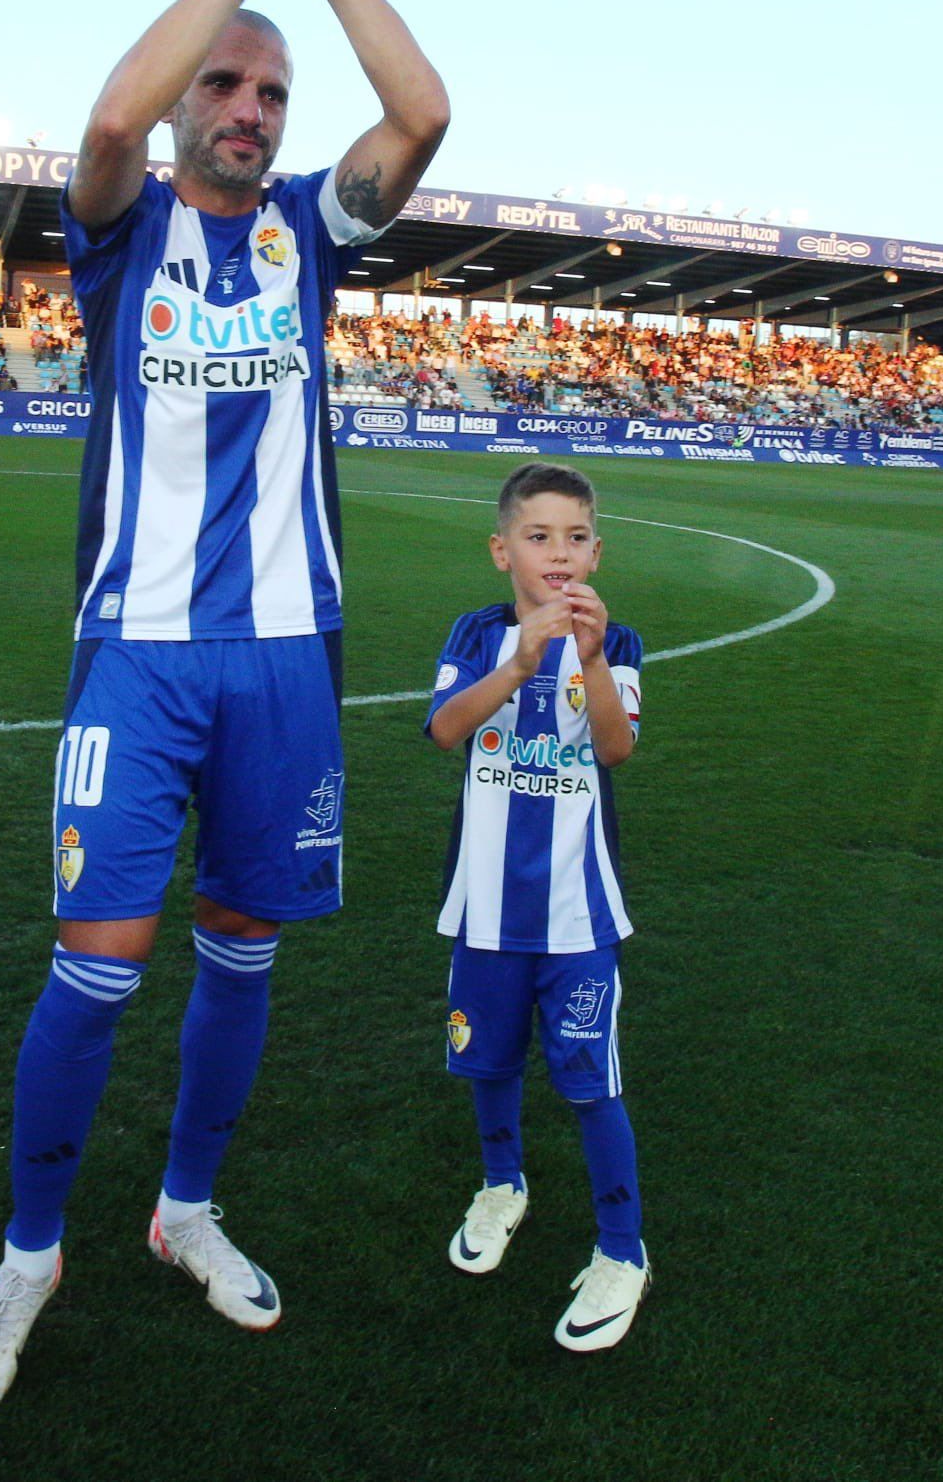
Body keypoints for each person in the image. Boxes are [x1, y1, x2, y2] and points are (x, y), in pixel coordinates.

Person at [0, 0, 448, 1429]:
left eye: (269, 93)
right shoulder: (121, 228)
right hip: (137, 659)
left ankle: (184, 1203)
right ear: (184, 113)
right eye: (223, 85)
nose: (243, 109)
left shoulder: (308, 233)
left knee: (239, 952)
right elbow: (102, 116)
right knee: (96, 959)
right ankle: (28, 1248)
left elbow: (421, 109)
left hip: (287, 659)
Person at [423, 462, 650, 1352]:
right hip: (484, 908)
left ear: (599, 550)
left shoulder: (617, 640)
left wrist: (584, 659)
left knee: (591, 1082)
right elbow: (444, 728)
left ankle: (622, 1251)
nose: (559, 553)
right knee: (487, 1062)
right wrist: (521, 661)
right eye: (538, 535)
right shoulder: (478, 633)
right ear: (501, 550)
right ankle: (501, 1181)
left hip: (576, 911)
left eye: (577, 536)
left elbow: (616, 747)